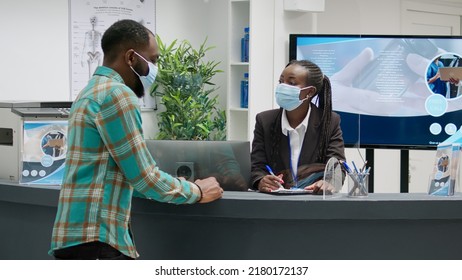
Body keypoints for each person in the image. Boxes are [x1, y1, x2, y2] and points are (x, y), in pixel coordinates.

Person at [49, 19, 223, 260]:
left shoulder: (90, 91)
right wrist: (196, 190)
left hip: (78, 236)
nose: (154, 68)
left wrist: (171, 183)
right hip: (98, 239)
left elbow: (115, 174)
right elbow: (144, 178)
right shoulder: (117, 94)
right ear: (131, 58)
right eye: (152, 60)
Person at [251, 60, 345, 194]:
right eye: (281, 81)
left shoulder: (329, 122)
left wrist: (328, 183)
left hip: (313, 203)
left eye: (292, 83)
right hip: (274, 204)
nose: (283, 87)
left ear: (310, 92)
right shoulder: (265, 121)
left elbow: (337, 167)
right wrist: (261, 180)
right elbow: (256, 166)